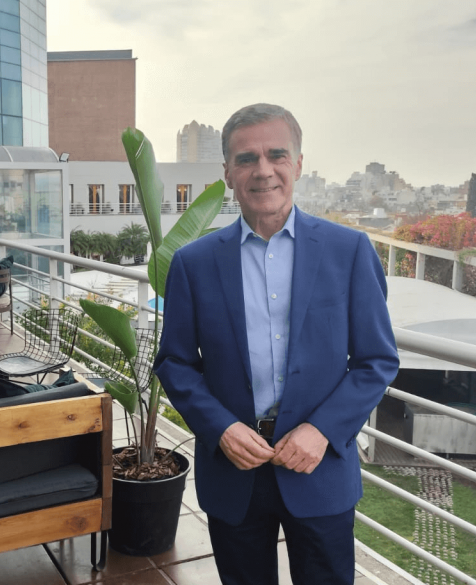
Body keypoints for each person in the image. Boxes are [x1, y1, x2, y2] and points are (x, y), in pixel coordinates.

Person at [153, 103, 399, 585]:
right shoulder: (193, 263)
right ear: (228, 172)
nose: (262, 170)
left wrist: (322, 430)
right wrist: (221, 428)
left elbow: (376, 360)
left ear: (298, 164)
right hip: (234, 468)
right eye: (246, 159)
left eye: (276, 155)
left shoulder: (349, 252)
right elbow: (175, 363)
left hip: (318, 466)